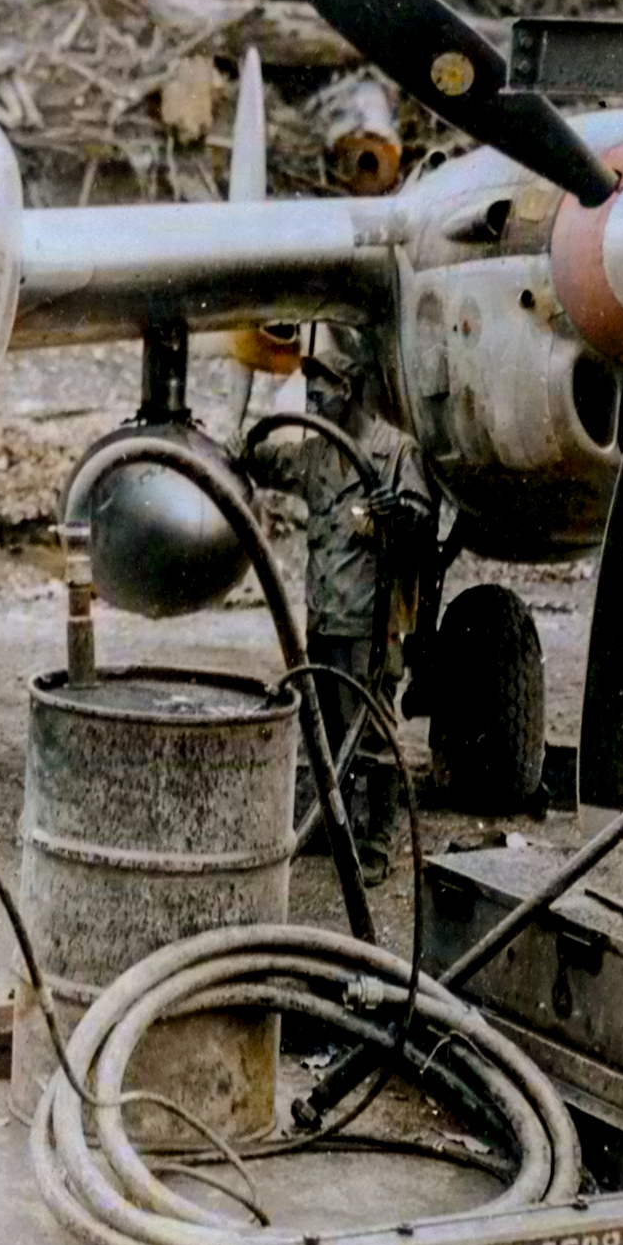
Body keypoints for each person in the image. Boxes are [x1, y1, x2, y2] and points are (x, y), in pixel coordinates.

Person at [242, 327, 436, 885]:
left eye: (320, 391)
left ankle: (377, 842)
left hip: (370, 627)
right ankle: (337, 827)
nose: (311, 402)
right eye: (308, 393)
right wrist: (245, 439)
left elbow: (423, 528)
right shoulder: (317, 455)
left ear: (349, 391)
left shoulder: (395, 453)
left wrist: (395, 510)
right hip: (325, 619)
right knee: (325, 731)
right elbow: (264, 464)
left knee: (372, 737)